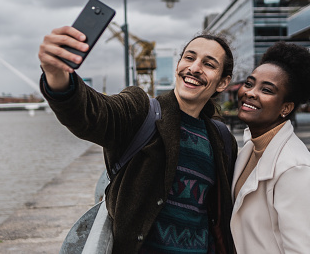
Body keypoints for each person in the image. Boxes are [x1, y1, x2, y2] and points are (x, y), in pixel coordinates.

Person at [38, 26, 238, 254]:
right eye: (189, 58)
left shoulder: (222, 140)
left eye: (209, 64)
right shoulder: (141, 111)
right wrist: (57, 76)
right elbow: (93, 113)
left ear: (222, 82)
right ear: (178, 65)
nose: (194, 68)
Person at [230, 42, 310, 254]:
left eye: (266, 90)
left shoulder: (295, 170)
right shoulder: (251, 148)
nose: (250, 93)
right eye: (250, 84)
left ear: (286, 107)